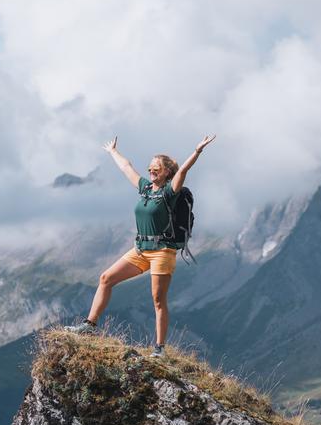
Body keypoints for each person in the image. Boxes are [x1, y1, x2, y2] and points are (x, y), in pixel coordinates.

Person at [66, 134, 216, 356]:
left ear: (166, 172)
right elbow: (127, 168)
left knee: (158, 300)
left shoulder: (169, 192)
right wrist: (113, 151)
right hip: (140, 250)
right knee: (106, 279)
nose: (151, 171)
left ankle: (159, 349)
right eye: (150, 168)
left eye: (156, 168)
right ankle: (89, 326)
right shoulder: (146, 189)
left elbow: (183, 171)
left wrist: (197, 151)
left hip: (162, 252)